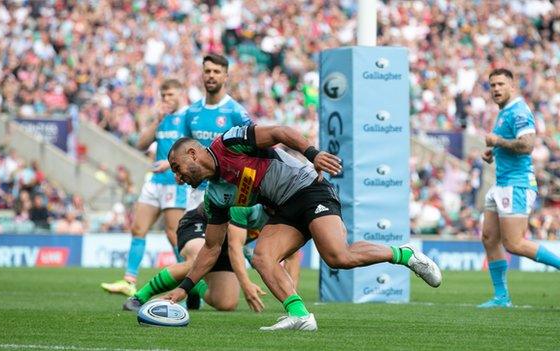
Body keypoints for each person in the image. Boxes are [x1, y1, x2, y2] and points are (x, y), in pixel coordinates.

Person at [163, 124, 442, 331]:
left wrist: (313, 153)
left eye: (177, 168)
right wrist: (184, 288)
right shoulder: (215, 196)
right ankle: (300, 315)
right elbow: (212, 248)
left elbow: (280, 132)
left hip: (309, 189)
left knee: (338, 257)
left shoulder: (229, 142)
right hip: (285, 209)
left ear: (192, 153)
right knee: (262, 257)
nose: (178, 177)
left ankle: (404, 254)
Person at [479, 68, 560, 308]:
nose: (496, 89)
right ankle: (501, 297)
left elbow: (527, 145)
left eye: (501, 84)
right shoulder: (504, 112)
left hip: (517, 184)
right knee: (488, 238)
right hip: (501, 183)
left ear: (512, 86)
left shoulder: (519, 111)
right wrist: (493, 151)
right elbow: (508, 143)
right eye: (492, 85)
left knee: (514, 243)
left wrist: (497, 141)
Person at [122, 203, 300, 312]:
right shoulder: (248, 203)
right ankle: (139, 297)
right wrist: (246, 283)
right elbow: (235, 245)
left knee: (226, 303)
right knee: (197, 260)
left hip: (226, 240)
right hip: (200, 222)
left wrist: (292, 302)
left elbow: (292, 256)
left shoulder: (285, 215)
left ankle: (194, 285)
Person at [101, 79, 188, 296]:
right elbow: (141, 144)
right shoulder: (162, 119)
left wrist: (171, 163)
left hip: (175, 181)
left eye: (170, 95)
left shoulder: (188, 117)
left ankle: (188, 283)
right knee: (138, 228)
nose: (166, 99)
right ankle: (129, 281)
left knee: (172, 234)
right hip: (156, 182)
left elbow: (194, 150)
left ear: (181, 94)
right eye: (164, 95)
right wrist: (156, 120)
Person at [181, 53, 252, 211]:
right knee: (189, 235)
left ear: (225, 76)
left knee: (227, 236)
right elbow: (184, 149)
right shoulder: (191, 112)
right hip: (197, 191)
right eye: (207, 71)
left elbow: (253, 149)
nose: (211, 76)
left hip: (228, 191)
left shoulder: (236, 112)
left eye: (216, 71)